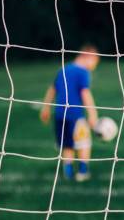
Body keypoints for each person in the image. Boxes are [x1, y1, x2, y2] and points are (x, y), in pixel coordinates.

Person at [40, 44, 100, 182]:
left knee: (66, 144)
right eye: (95, 61)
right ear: (88, 56)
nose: (94, 65)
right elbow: (85, 93)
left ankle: (68, 172)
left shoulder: (64, 69)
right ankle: (83, 172)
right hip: (75, 115)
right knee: (84, 143)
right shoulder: (83, 72)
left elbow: (52, 89)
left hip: (60, 114)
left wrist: (46, 107)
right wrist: (92, 113)